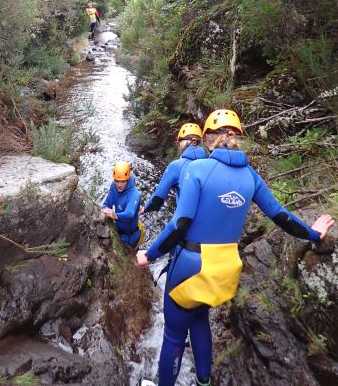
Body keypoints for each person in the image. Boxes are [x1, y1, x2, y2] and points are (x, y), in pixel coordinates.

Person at [136, 108, 335, 386]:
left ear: (208, 139)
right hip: (225, 269)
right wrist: (314, 233)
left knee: (173, 333)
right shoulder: (251, 176)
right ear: (236, 138)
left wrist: (149, 254)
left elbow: (180, 223)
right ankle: (204, 382)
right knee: (200, 318)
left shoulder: (197, 169)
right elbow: (280, 216)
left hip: (191, 265)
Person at [141, 123, 206, 216]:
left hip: (186, 219)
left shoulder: (176, 166)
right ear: (200, 143)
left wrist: (145, 209)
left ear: (180, 143)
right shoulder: (210, 163)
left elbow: (157, 199)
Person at [102, 161, 144, 248]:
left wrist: (115, 215)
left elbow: (130, 213)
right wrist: (105, 210)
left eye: (122, 181)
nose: (119, 185)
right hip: (118, 228)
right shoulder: (113, 186)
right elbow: (107, 203)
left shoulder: (134, 194)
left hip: (131, 235)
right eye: (117, 181)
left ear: (128, 180)